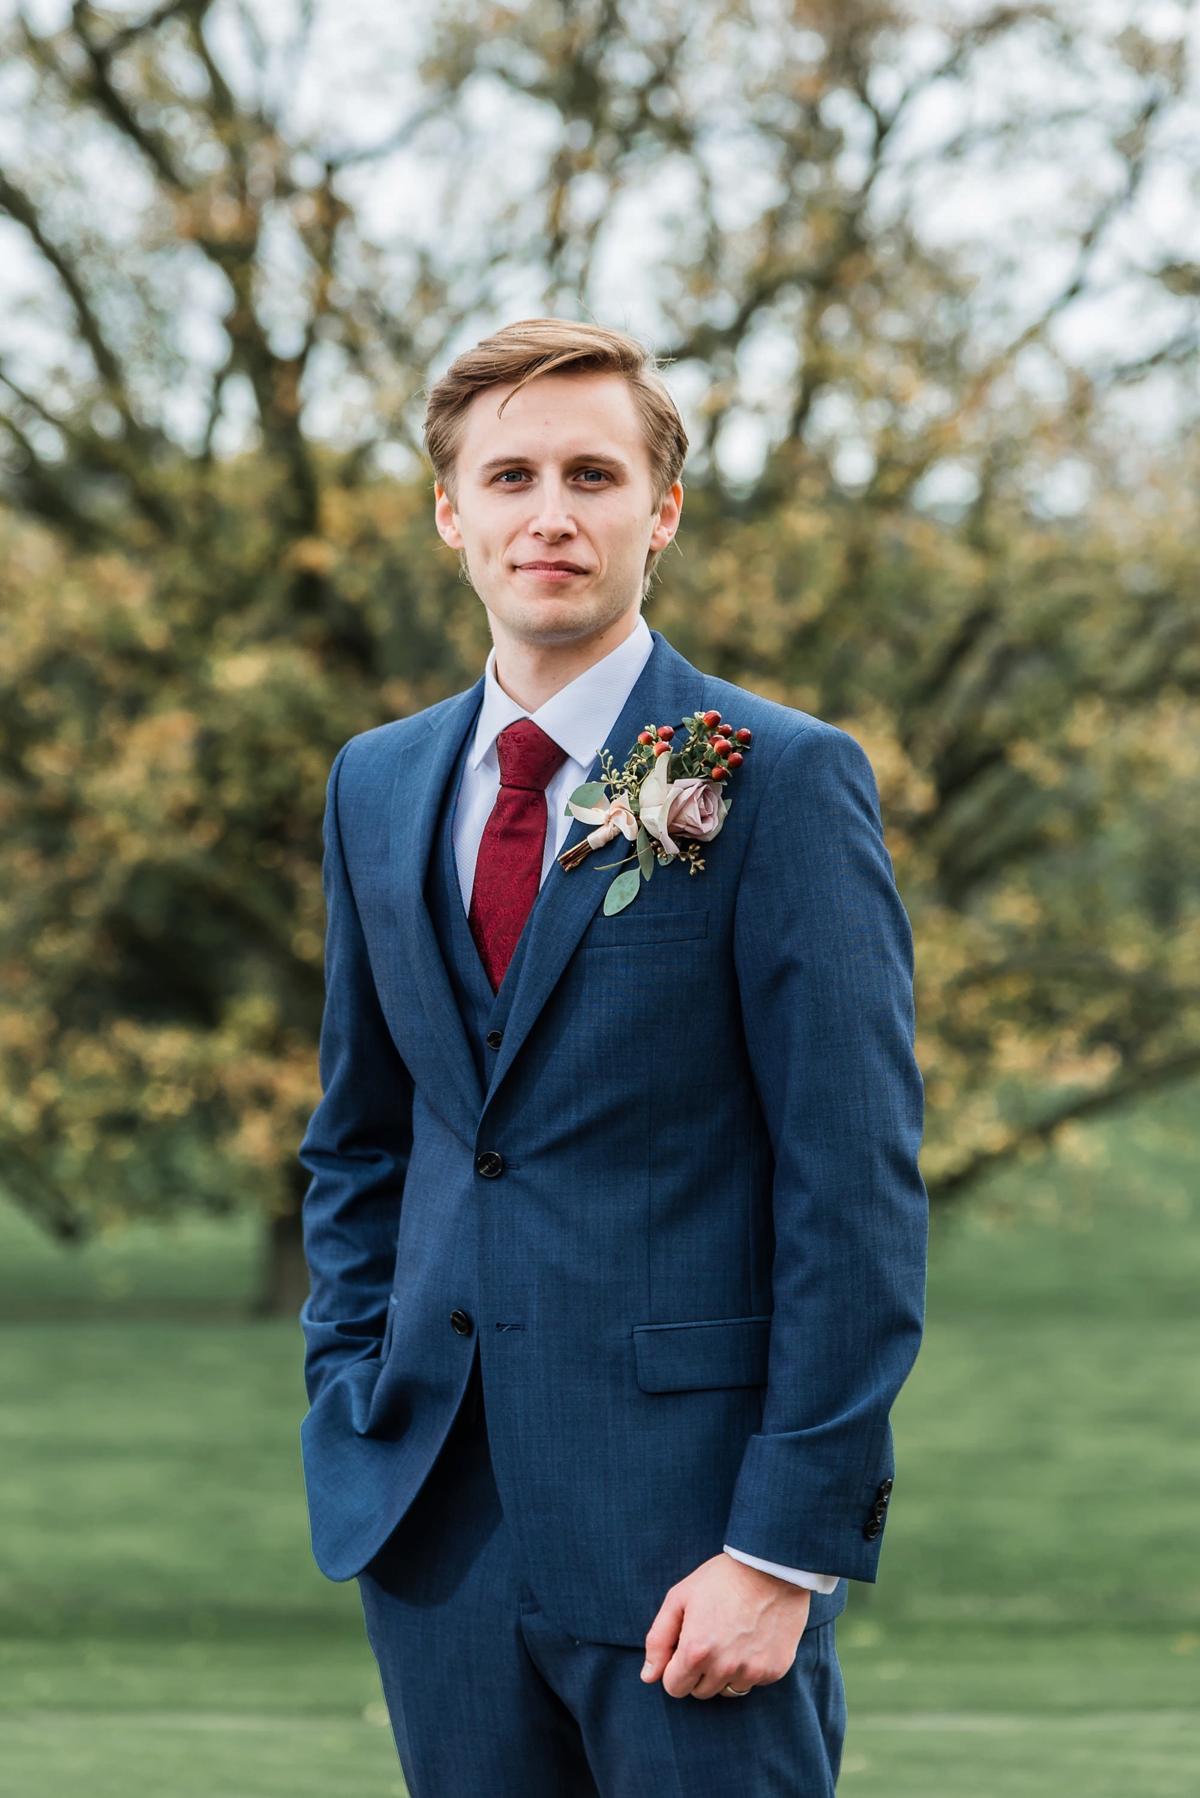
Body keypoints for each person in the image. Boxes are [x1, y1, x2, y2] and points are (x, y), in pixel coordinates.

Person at [298, 318, 927, 1796]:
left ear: (663, 510)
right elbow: (361, 1134)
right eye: (509, 475)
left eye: (595, 472)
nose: (551, 512)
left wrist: (782, 1545)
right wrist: (350, 1389)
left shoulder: (772, 776)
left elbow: (854, 1184)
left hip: (693, 1542)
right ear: (453, 513)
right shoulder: (377, 782)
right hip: (435, 1531)